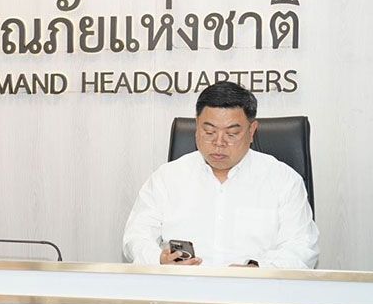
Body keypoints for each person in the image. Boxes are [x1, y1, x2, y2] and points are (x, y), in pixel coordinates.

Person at [122, 81, 318, 269]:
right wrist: (160, 259)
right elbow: (136, 237)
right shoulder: (167, 178)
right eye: (209, 132)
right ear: (197, 127)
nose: (219, 142)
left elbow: (302, 248)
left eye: (231, 134)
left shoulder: (284, 180)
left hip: (254, 289)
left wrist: (259, 269)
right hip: (182, 287)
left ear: (252, 131)